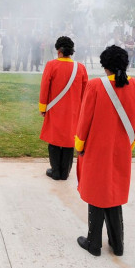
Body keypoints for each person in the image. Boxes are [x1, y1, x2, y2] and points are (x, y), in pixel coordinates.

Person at [75, 45, 135, 257]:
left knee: (97, 193)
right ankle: (117, 244)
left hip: (97, 148)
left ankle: (93, 243)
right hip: (122, 148)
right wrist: (129, 144)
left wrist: (79, 145)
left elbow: (84, 119)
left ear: (105, 65)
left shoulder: (96, 85)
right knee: (114, 193)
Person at [39, 36, 88, 180]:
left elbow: (44, 88)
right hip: (74, 111)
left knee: (54, 141)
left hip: (55, 110)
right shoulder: (81, 68)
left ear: (58, 50)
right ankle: (65, 172)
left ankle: (55, 172)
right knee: (69, 141)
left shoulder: (51, 65)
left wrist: (43, 107)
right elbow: (85, 92)